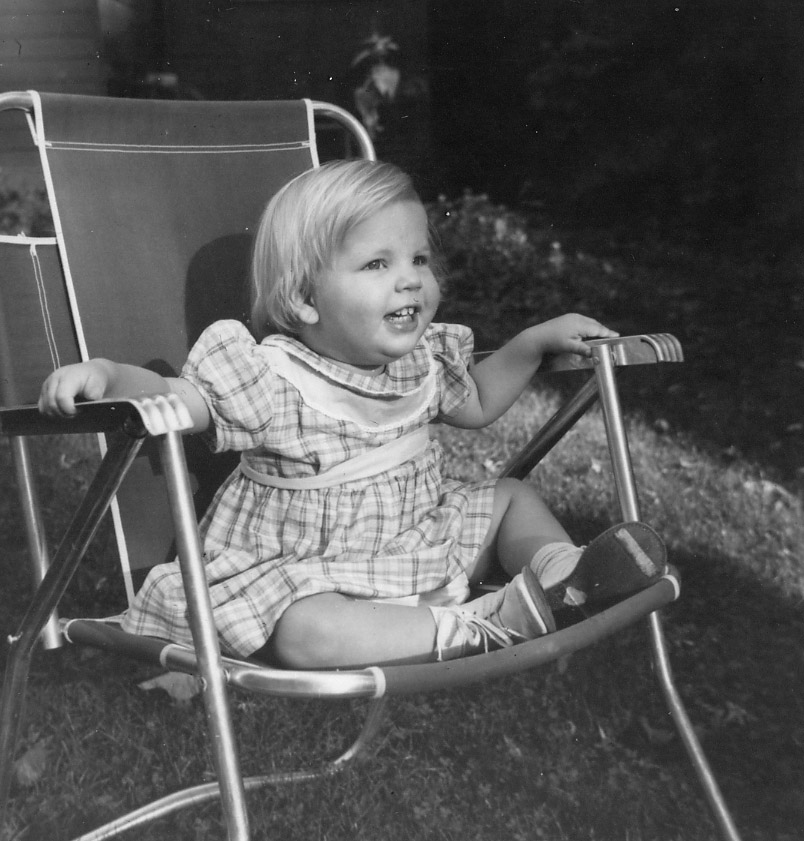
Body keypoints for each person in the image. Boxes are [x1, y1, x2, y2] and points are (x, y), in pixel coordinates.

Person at [38, 159, 671, 670]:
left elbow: (476, 401)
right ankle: (482, 624)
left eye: (418, 260)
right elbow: (175, 397)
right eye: (377, 264)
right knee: (305, 632)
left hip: (416, 542)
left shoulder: (420, 360)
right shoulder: (270, 375)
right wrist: (110, 375)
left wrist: (531, 343)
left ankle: (566, 578)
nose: (410, 280)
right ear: (303, 299)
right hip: (307, 572)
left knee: (509, 498)